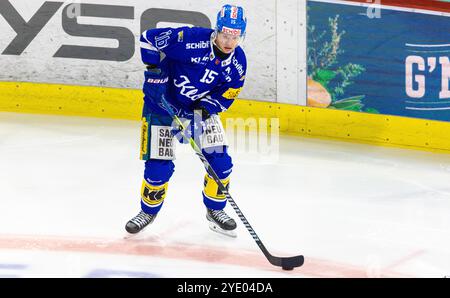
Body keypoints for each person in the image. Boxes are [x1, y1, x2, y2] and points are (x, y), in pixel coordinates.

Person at [125, 4, 247, 237]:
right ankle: (148, 212)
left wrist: (202, 110)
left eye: (235, 36)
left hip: (197, 112)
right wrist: (154, 71)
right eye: (225, 34)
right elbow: (148, 39)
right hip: (159, 107)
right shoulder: (189, 39)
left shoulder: (239, 62)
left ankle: (215, 211)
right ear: (217, 30)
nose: (229, 41)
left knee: (220, 163)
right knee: (157, 167)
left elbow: (229, 93)